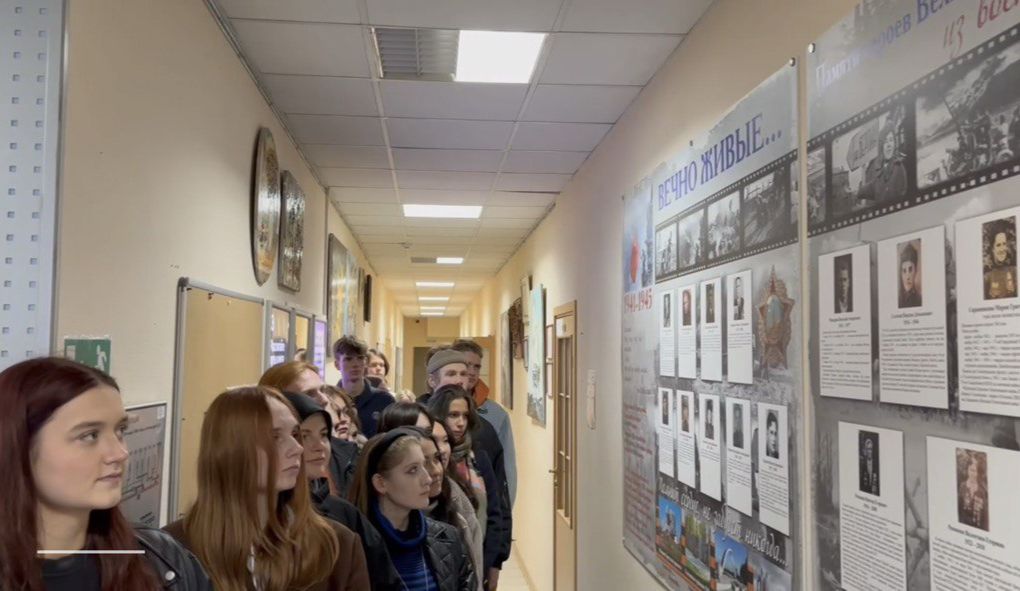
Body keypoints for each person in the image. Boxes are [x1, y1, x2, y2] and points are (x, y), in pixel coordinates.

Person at [0, 357, 212, 591]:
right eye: (89, 435)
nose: (120, 453)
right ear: (18, 447)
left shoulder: (164, 561)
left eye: (120, 430)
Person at [164, 386, 370, 591]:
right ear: (230, 451)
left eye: (295, 434)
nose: (297, 448)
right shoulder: (170, 552)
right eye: (275, 437)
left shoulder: (338, 547)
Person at [283, 392, 402, 591]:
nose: (319, 446)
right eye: (304, 436)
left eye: (324, 434)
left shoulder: (343, 514)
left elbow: (385, 580)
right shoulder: (260, 513)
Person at [349, 428, 476, 591]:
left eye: (424, 466)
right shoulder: (354, 546)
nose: (427, 479)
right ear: (381, 483)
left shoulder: (448, 538)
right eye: (413, 470)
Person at [375, 406, 484, 591]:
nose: (432, 473)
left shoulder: (452, 512)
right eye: (414, 468)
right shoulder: (363, 538)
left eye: (435, 458)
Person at [426, 385, 511, 591]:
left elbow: (495, 512)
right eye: (453, 415)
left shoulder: (477, 457)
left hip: (479, 558)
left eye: (465, 415)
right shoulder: (428, 460)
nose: (460, 423)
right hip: (439, 562)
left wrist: (493, 564)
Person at [260, 364, 362, 497]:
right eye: (309, 393)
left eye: (322, 390)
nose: (325, 400)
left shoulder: (346, 453)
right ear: (276, 400)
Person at [450, 339, 518, 508]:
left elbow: (507, 468)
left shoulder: (496, 415)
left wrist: (505, 510)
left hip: (485, 505)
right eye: (467, 365)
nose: (472, 372)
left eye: (477, 367)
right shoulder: (432, 409)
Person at [334, 336, 396, 438]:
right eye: (348, 359)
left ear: (366, 362)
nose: (355, 364)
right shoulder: (330, 401)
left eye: (360, 358)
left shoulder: (385, 400)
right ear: (337, 364)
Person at [859, 124, 907, 205]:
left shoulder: (899, 167)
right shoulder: (874, 168)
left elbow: (903, 195)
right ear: (881, 146)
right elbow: (868, 192)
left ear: (894, 143)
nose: (889, 145)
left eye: (891, 140)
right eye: (885, 141)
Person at [984, 221, 1017, 300]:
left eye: (1004, 244)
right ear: (992, 249)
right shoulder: (987, 277)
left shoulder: (1015, 271)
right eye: (998, 245)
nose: (1002, 249)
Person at [957, 453, 989, 531]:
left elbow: (985, 517)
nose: (973, 474)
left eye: (975, 471)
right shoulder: (962, 487)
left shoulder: (981, 491)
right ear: (967, 470)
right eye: (971, 470)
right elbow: (959, 510)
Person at [898, 242, 922, 308]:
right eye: (904, 271)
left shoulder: (920, 300)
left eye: (910, 270)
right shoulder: (898, 301)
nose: (907, 277)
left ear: (915, 271)